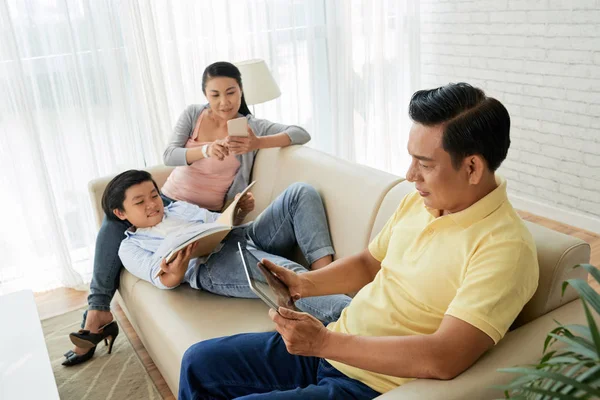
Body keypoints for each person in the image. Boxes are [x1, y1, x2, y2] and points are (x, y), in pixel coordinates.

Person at [177, 83, 540, 400]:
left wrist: (323, 343)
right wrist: (304, 284)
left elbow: (444, 356)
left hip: (370, 385)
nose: (410, 175)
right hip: (335, 342)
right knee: (198, 363)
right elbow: (370, 263)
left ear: (473, 168)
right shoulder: (421, 201)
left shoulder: (504, 249)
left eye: (425, 164)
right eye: (411, 159)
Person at [63, 61, 314, 366]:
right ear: (205, 95)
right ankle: (98, 309)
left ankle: (98, 318)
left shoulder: (252, 126)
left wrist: (257, 142)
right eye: (215, 94)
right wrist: (206, 150)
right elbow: (170, 155)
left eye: (231, 92)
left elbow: (300, 133)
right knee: (114, 224)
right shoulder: (193, 115)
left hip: (201, 214)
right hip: (168, 199)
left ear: (241, 91)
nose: (224, 102)